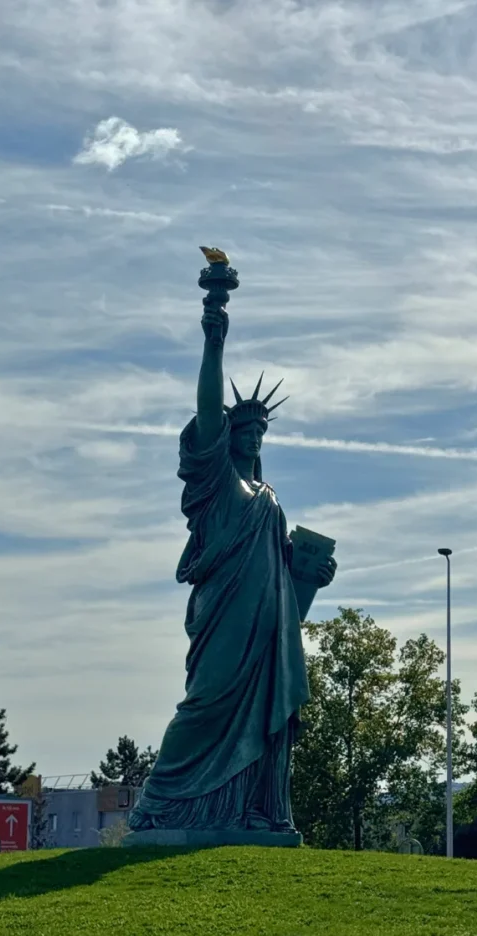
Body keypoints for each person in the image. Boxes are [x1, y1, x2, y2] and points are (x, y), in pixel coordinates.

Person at [128, 305, 336, 834]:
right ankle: (157, 803)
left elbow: (285, 594)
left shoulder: (270, 501)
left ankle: (250, 811)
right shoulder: (217, 483)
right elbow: (205, 411)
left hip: (264, 634)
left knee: (260, 718)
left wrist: (311, 577)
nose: (254, 435)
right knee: (203, 705)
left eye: (261, 429)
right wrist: (214, 336)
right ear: (224, 436)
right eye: (245, 427)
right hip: (222, 620)